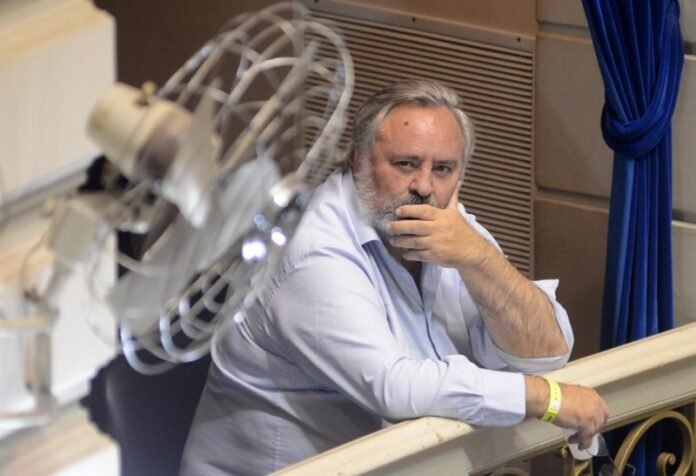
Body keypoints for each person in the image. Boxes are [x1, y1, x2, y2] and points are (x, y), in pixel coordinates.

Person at [180, 79, 609, 476]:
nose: (424, 186)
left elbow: (546, 353)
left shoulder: (450, 228)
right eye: (406, 164)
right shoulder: (311, 249)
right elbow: (392, 387)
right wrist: (546, 399)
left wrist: (478, 259)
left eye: (443, 169)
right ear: (359, 160)